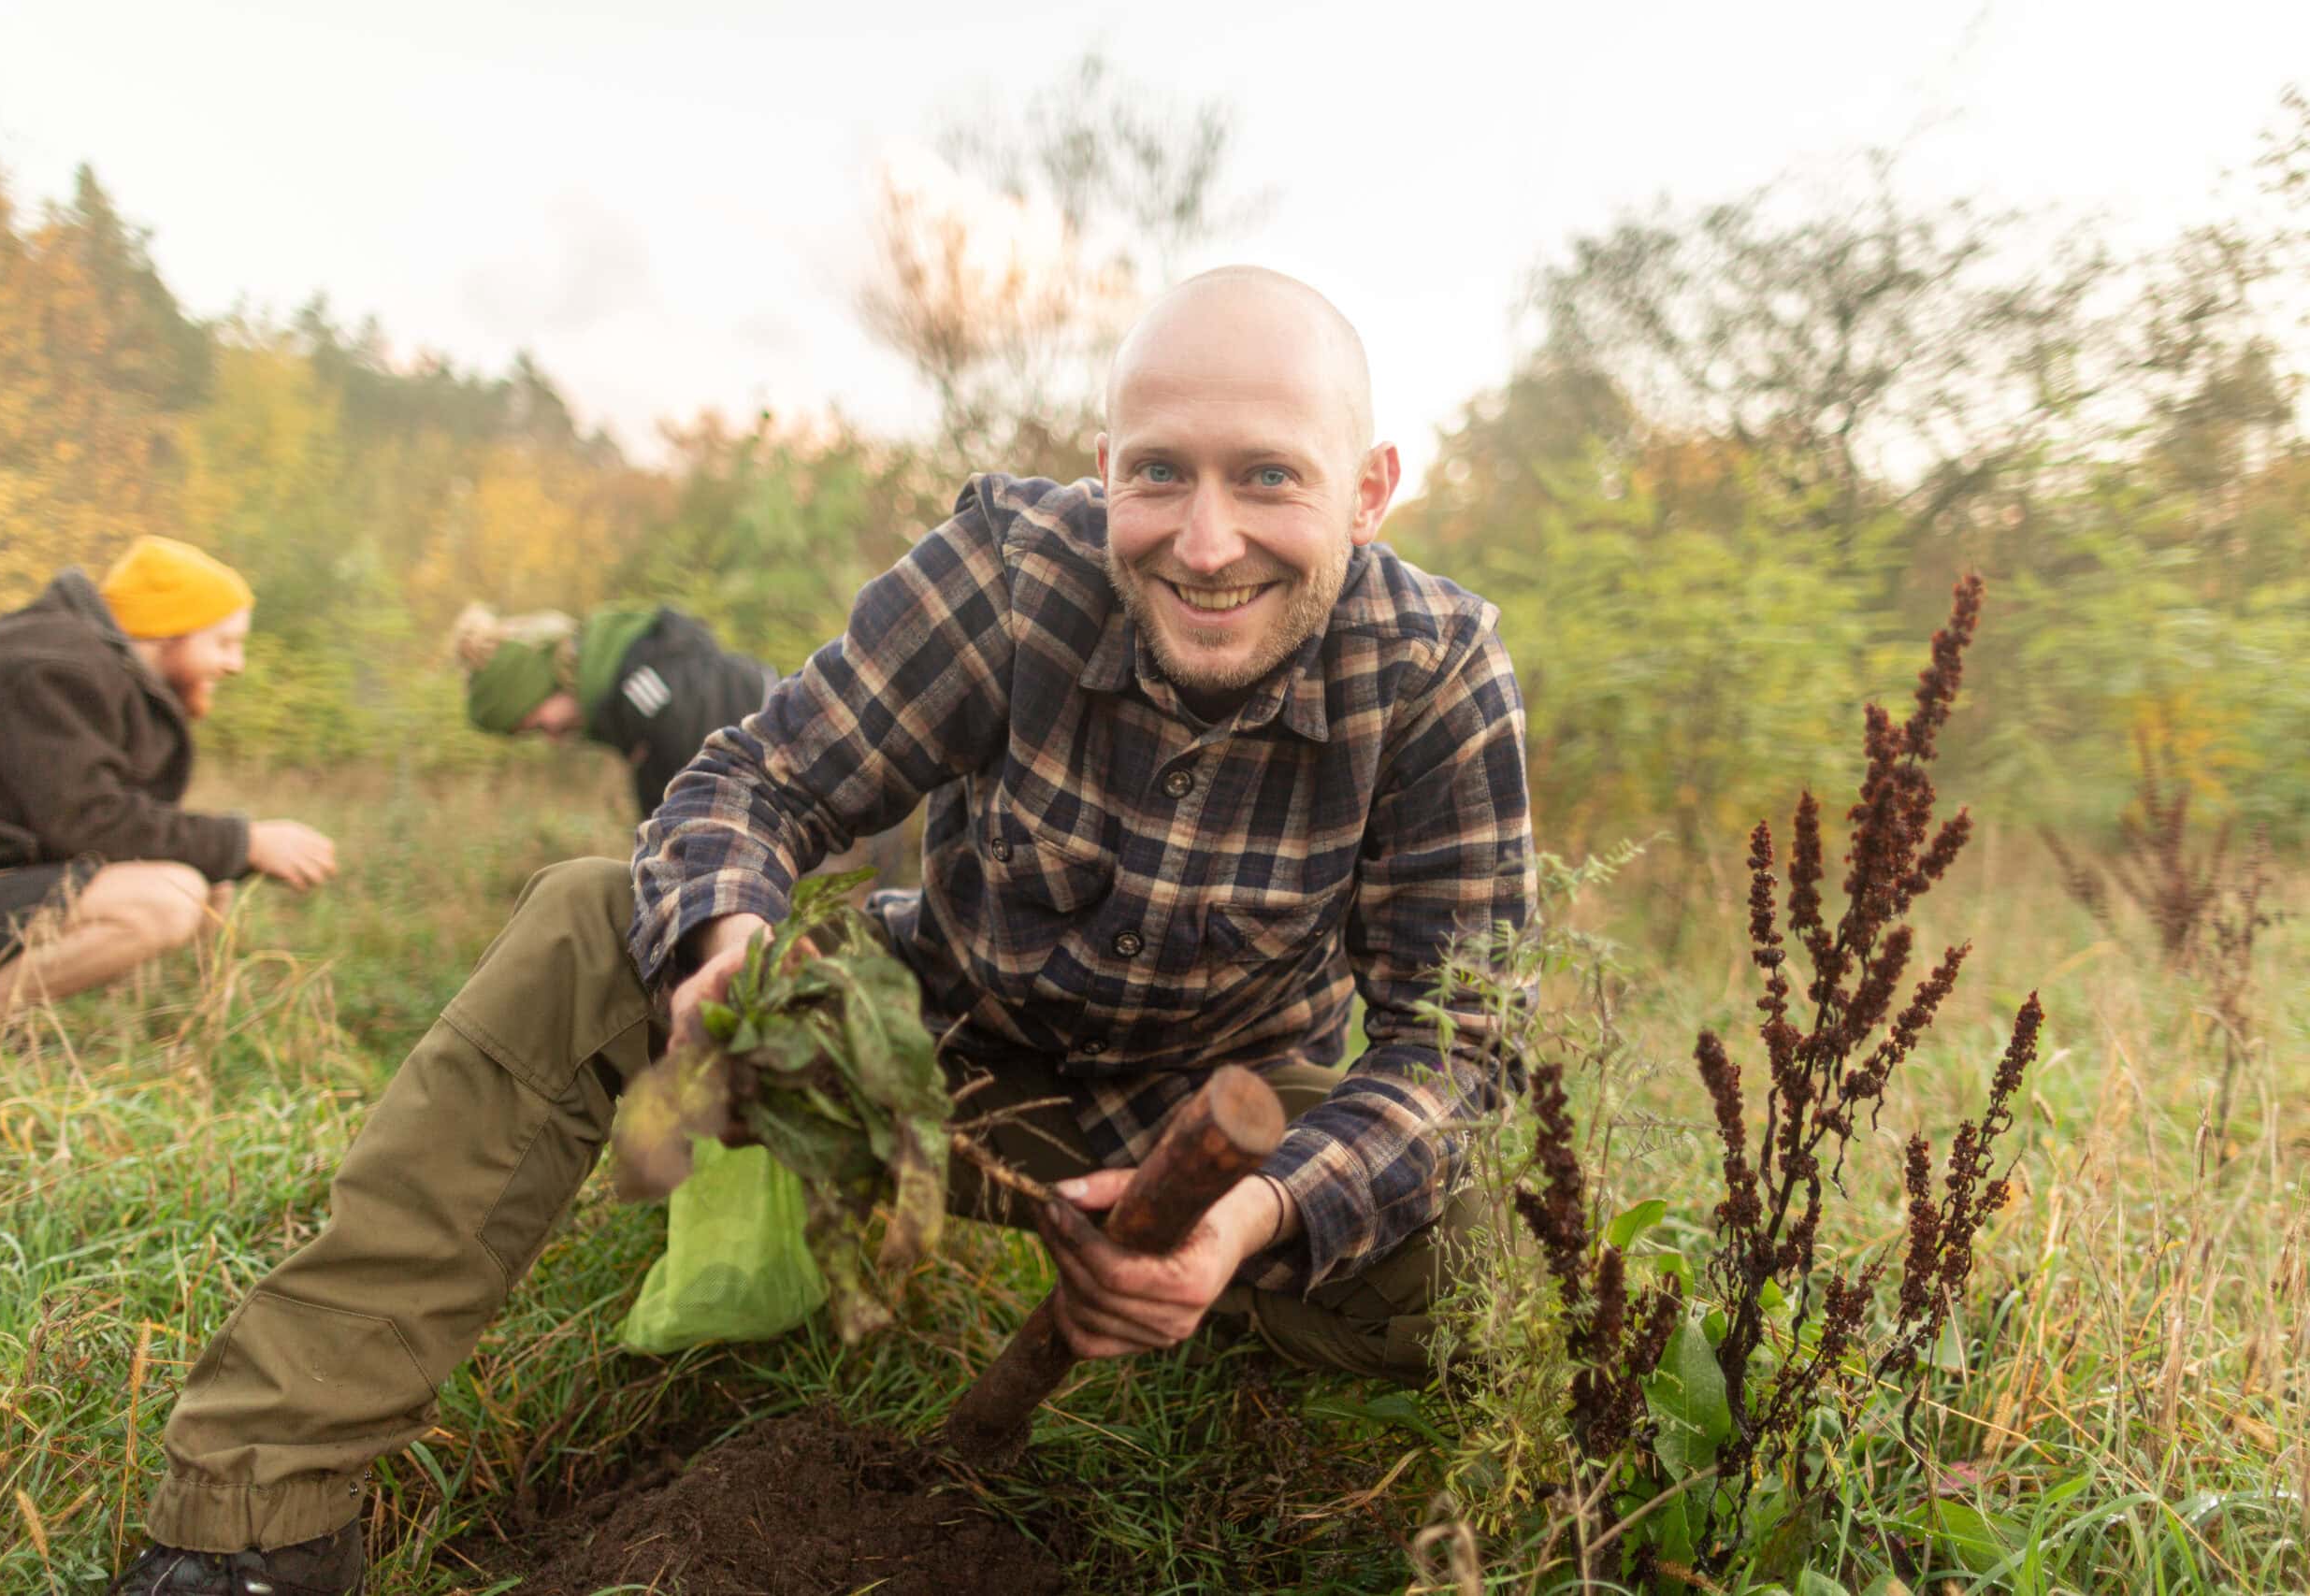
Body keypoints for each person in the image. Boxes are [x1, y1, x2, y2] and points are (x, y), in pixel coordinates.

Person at [108, 267, 1534, 1595]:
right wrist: (725, 947)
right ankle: (253, 1520)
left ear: (1368, 492)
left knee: (1469, 1250)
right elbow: (762, 779)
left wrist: (1238, 1219)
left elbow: (1459, 1047)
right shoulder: (1012, 571)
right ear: (1108, 472)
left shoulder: (1436, 677)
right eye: (1159, 471)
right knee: (584, 922)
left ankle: (1221, 1395)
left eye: (1268, 477)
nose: (1205, 539)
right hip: (934, 1052)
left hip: (1202, 1134)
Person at [0, 539, 338, 1044]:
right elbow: (87, 822)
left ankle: (16, 1026)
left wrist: (227, 853)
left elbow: (78, 821)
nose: (236, 664)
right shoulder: (53, 670)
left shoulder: (80, 661)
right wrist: (244, 842)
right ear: (168, 632)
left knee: (202, 887)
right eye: (224, 643)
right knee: (164, 901)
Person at [452, 601, 776, 820]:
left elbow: (712, 816)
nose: (551, 738)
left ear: (548, 683)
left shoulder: (648, 692)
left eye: (538, 724)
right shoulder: (625, 697)